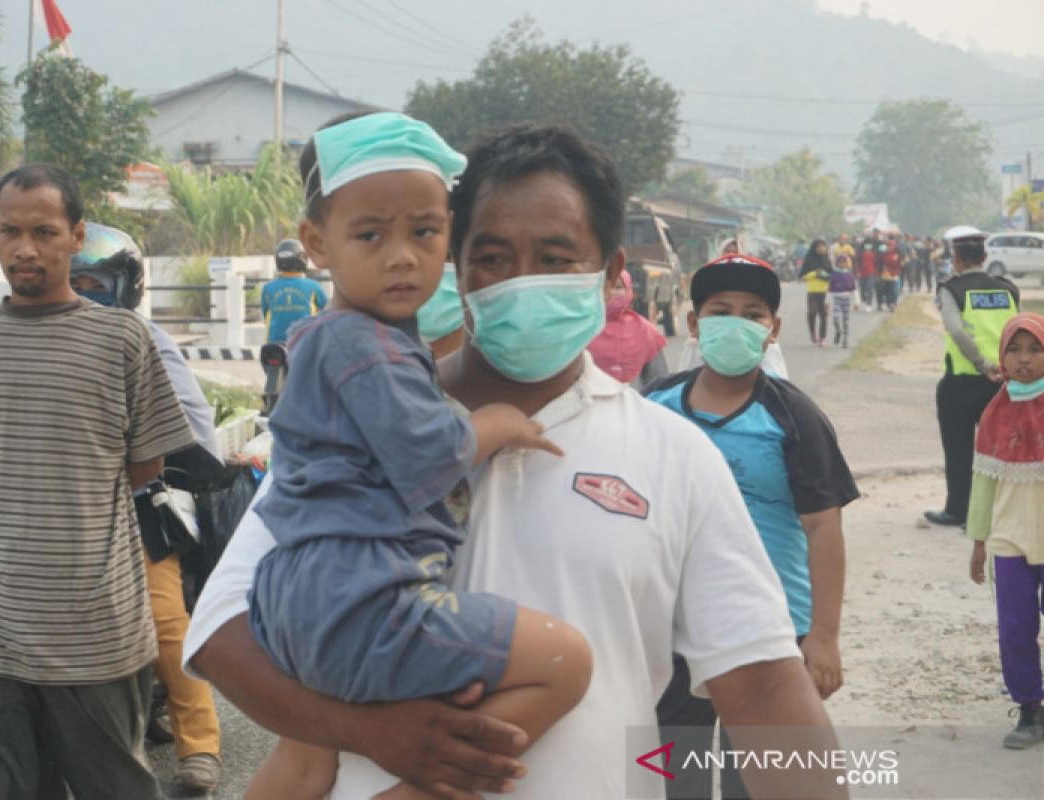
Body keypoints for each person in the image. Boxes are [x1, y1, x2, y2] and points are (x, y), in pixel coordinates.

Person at [183, 122, 844, 800]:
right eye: (492, 258)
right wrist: (362, 732)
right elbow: (222, 638)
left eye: (556, 259)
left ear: (612, 273)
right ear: (456, 266)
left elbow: (762, 687)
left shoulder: (673, 454)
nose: (521, 282)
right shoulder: (354, 425)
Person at [242, 111, 591, 800]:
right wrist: (494, 422)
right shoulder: (361, 343)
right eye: (371, 235)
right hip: (363, 598)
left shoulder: (343, 339)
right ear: (317, 242)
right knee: (565, 662)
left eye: (425, 233)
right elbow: (429, 454)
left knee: (308, 761)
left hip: (294, 602)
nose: (401, 256)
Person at [0, 164, 195, 799]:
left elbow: (146, 468)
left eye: (44, 231)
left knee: (115, 786)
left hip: (93, 627)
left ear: (76, 236)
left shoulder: (123, 341)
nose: (25, 249)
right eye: (9, 231)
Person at [648, 254, 857, 799]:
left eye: (753, 313)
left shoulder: (793, 417)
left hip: (767, 630)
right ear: (694, 324)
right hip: (670, 630)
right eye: (721, 311)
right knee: (673, 780)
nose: (736, 323)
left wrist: (824, 638)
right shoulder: (654, 408)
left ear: (772, 330)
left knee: (761, 782)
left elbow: (822, 526)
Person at [68, 222, 224, 793]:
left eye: (93, 282)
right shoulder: (35, 335)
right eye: (72, 281)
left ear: (124, 287)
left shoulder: (145, 339)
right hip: (55, 509)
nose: (82, 294)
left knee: (164, 620)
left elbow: (195, 425)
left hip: (134, 503)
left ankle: (200, 747)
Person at [967, 313, 1044, 751]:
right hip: (1009, 539)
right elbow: (983, 484)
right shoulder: (994, 414)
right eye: (1014, 350)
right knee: (1015, 626)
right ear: (1002, 358)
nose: (1024, 359)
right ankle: (1030, 707)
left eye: (1034, 349)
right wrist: (979, 543)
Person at [925, 225, 1020, 527]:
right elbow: (1017, 330)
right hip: (1003, 382)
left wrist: (980, 362)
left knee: (958, 450)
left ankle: (959, 510)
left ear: (956, 258)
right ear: (985, 255)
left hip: (962, 382)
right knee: (999, 451)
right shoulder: (1008, 289)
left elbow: (955, 329)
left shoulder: (950, 289)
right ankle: (997, 513)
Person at [260, 238, 329, 411]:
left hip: (273, 345)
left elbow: (265, 313)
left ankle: (268, 403)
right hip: (304, 342)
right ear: (303, 259)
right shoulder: (314, 287)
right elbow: (325, 311)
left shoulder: (268, 288)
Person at [588, 268, 669, 390]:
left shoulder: (645, 331)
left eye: (618, 287)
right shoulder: (580, 330)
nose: (611, 292)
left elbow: (659, 382)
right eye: (603, 287)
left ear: (629, 291)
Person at [828, 252, 857, 348]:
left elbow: (854, 289)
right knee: (835, 318)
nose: (842, 264)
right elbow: (829, 289)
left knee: (846, 320)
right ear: (837, 263)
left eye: (844, 262)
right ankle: (838, 331)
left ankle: (845, 340)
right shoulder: (834, 275)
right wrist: (826, 302)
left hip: (847, 299)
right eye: (840, 262)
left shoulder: (849, 275)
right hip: (837, 298)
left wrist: (856, 302)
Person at [878, 238, 902, 310]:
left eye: (891, 246)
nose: (890, 247)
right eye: (888, 246)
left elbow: (900, 264)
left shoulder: (897, 255)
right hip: (885, 276)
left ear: (894, 247)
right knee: (887, 291)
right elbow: (880, 264)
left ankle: (893, 303)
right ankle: (889, 304)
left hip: (894, 275)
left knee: (895, 291)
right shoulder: (884, 255)